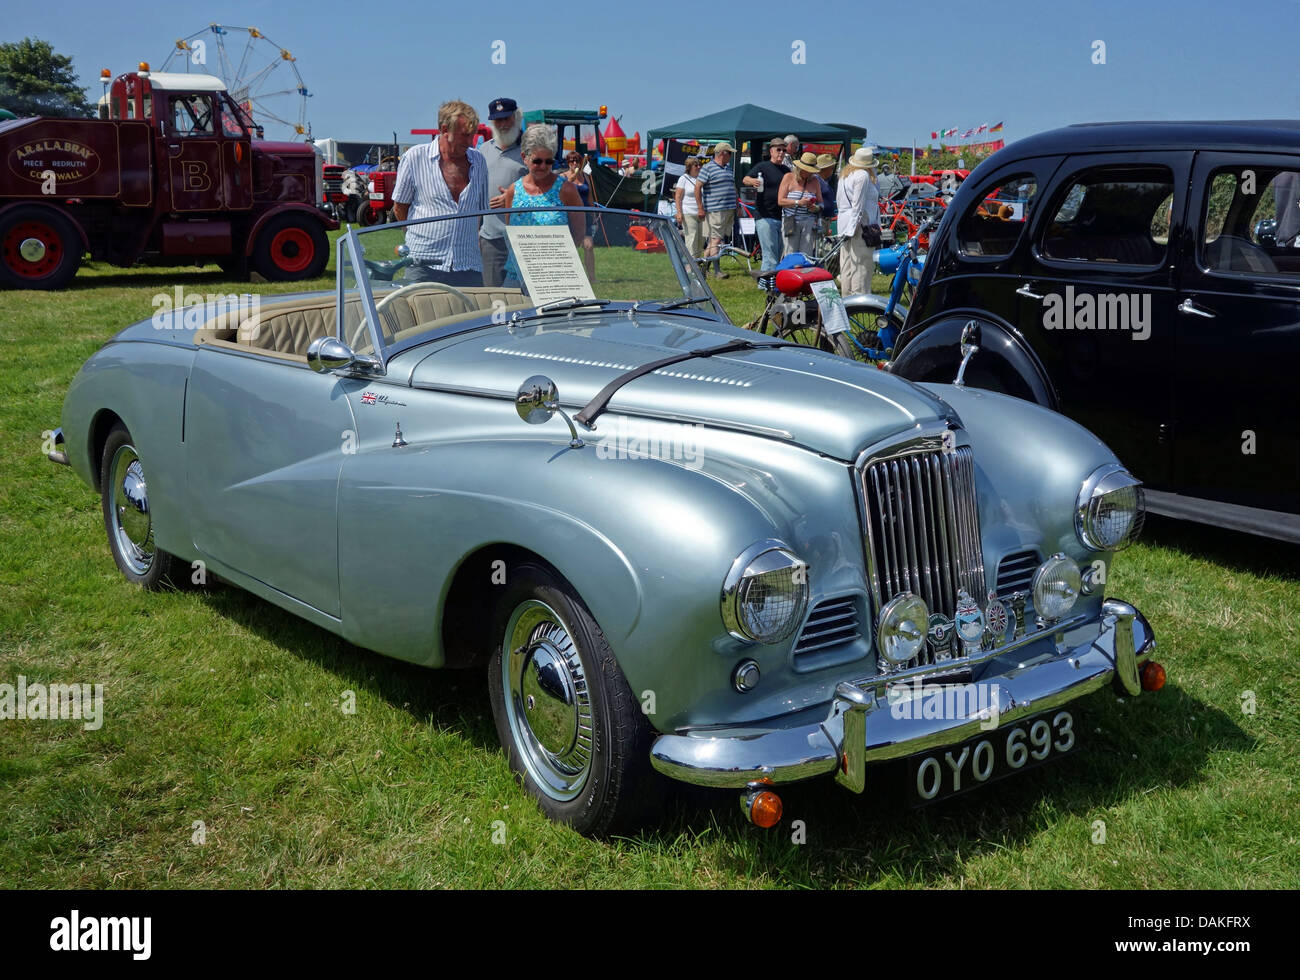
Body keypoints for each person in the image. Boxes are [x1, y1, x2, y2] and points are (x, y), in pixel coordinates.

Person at [392, 100, 489, 285]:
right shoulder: (414, 157)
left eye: (472, 135)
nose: (470, 142)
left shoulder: (479, 161)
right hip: (423, 265)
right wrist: (419, 237)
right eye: (465, 135)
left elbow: (480, 213)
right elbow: (399, 208)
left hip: (468, 265)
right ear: (445, 129)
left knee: (473, 314)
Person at [500, 125, 585, 288]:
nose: (543, 166)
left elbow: (578, 235)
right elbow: (510, 232)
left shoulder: (567, 190)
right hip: (517, 277)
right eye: (537, 161)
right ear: (524, 157)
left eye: (549, 161)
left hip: (556, 278)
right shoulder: (513, 191)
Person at [478, 97, 527, 287]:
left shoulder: (531, 151)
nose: (504, 124)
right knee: (493, 297)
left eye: (507, 118)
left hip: (523, 237)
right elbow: (476, 195)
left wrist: (515, 196)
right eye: (498, 120)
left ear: (517, 117)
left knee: (526, 298)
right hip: (491, 239)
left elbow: (545, 188)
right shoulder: (483, 151)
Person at [835, 146, 880, 295]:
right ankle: (860, 300)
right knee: (861, 266)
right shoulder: (862, 175)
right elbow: (858, 206)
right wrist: (853, 228)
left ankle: (847, 301)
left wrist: (847, 229)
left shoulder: (845, 175)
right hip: (860, 226)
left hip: (846, 224)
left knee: (847, 265)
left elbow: (842, 203)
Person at [741, 137, 788, 270]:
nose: (781, 153)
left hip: (781, 216)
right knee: (770, 254)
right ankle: (768, 285)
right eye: (778, 150)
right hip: (765, 216)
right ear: (771, 151)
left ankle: (771, 283)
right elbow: (745, 179)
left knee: (778, 254)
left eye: (784, 150)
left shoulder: (786, 170)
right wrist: (753, 181)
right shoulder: (763, 166)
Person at [698, 141, 738, 279]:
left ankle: (703, 269)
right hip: (715, 210)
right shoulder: (707, 168)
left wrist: (737, 205)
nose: (731, 156)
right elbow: (698, 187)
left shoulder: (728, 168)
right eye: (730, 153)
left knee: (714, 241)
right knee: (716, 240)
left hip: (728, 209)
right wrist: (700, 208)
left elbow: (733, 188)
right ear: (722, 153)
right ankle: (717, 271)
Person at [777, 151, 823, 258]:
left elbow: (821, 203)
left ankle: (804, 274)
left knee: (806, 255)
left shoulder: (815, 181)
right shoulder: (788, 177)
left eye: (811, 171)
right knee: (791, 252)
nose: (808, 173)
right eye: (806, 170)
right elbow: (780, 201)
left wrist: (815, 208)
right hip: (791, 221)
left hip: (808, 222)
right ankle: (790, 274)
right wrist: (798, 202)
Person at [563, 149, 597, 282]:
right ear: (568, 163)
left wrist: (593, 215)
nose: (575, 163)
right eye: (571, 161)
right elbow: (560, 195)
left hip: (585, 215)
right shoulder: (563, 177)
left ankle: (592, 277)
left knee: (588, 246)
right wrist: (569, 182)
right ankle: (572, 277)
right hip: (570, 216)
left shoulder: (585, 177)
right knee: (571, 248)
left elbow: (590, 198)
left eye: (577, 160)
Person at [674, 156, 706, 260]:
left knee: (701, 240)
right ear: (689, 167)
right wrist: (679, 213)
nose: (699, 167)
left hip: (702, 213)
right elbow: (678, 196)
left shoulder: (702, 178)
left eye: (699, 165)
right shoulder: (683, 178)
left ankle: (697, 262)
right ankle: (690, 265)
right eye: (696, 165)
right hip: (688, 212)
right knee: (691, 239)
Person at [816, 152, 839, 240]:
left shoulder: (824, 181)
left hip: (826, 220)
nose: (832, 170)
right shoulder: (816, 180)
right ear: (825, 168)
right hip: (820, 219)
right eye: (831, 168)